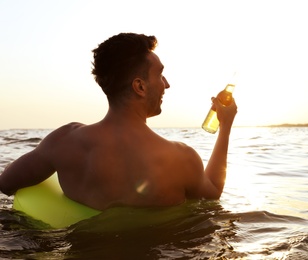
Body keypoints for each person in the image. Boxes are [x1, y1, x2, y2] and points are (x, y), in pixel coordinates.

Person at [0, 33, 237, 210]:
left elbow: (6, 183)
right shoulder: (180, 158)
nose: (166, 84)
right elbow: (213, 193)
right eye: (160, 75)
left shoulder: (63, 142)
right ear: (140, 86)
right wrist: (224, 128)